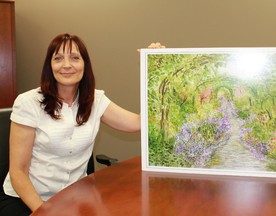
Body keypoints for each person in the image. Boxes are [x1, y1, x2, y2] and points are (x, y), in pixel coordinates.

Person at [0, 33, 165, 215]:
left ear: (84, 64)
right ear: (50, 66)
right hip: (26, 200)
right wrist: (44, 211)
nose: (67, 65)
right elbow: (18, 172)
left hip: (73, 198)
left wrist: (156, 68)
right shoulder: (28, 102)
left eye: (75, 58)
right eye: (58, 58)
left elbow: (139, 123)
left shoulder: (95, 100)